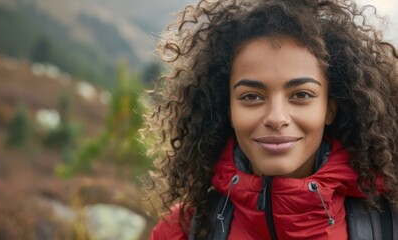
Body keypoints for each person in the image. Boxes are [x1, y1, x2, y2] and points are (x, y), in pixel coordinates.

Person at [141, 0, 398, 239]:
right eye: (251, 97)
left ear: (329, 109)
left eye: (301, 95)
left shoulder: (390, 224)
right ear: (227, 109)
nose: (276, 118)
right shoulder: (182, 230)